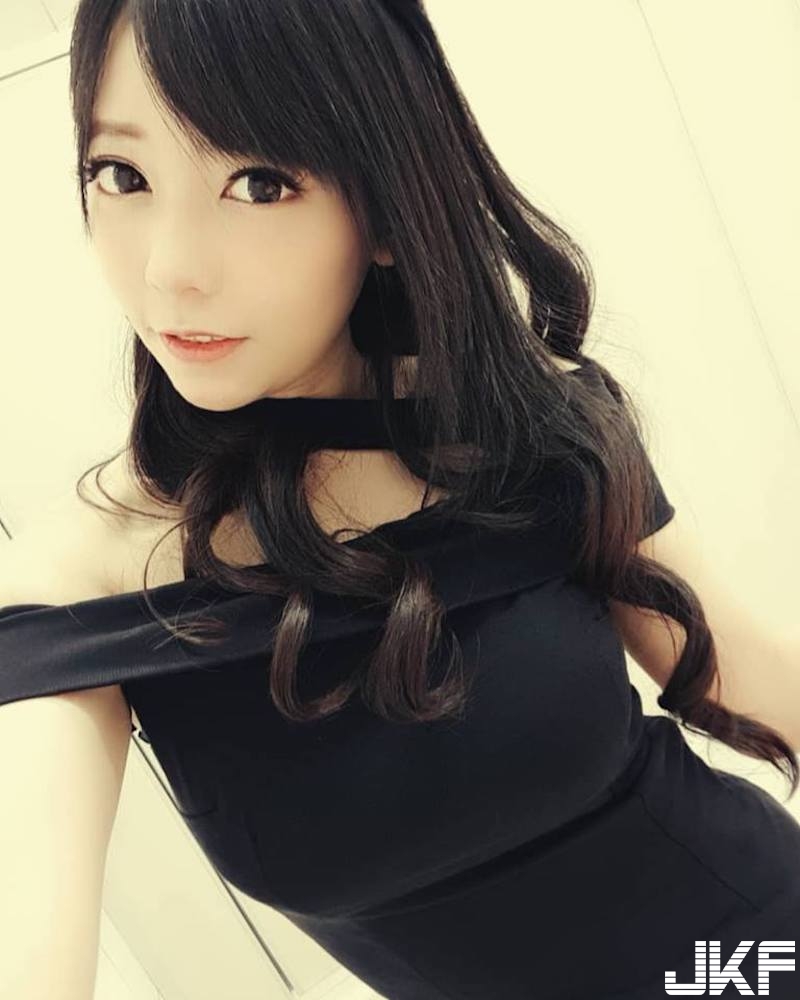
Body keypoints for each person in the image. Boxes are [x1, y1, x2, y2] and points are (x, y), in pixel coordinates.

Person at [1, 2, 798, 998]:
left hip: (751, 949)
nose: (170, 270)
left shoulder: (518, 423)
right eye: (122, 174)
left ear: (382, 207)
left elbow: (738, 671)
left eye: (259, 183)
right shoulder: (83, 591)